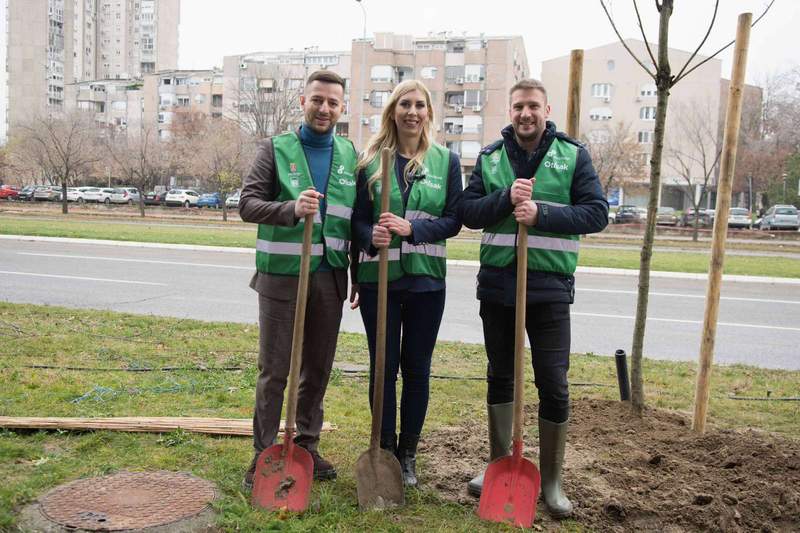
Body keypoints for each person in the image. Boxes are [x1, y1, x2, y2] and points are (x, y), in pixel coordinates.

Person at [459, 79, 608, 517]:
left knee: (553, 382)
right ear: (510, 111)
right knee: (500, 375)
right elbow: (467, 212)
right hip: (499, 286)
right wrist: (505, 199)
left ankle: (552, 479)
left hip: (549, 290)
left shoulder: (572, 155)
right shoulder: (489, 158)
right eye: (519, 106)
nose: (526, 114)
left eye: (533, 107)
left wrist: (543, 214)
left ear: (547, 109)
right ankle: (499, 463)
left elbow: (597, 212)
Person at [239, 70, 358, 491]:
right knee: (275, 370)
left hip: (330, 277)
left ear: (343, 108)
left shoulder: (348, 154)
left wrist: (358, 272)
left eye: (333, 102)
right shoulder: (275, 149)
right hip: (282, 278)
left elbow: (354, 221)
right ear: (302, 102)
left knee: (317, 369)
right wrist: (290, 209)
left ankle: (306, 444)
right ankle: (264, 450)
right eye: (317, 100)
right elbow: (247, 204)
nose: (324, 108)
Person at [351, 80, 463, 488]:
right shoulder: (369, 161)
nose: (412, 112)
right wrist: (369, 237)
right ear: (392, 111)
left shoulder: (445, 162)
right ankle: (382, 449)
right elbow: (357, 220)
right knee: (383, 368)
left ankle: (408, 453)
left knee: (417, 369)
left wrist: (411, 228)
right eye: (404, 104)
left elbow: (454, 219)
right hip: (379, 282)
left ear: (429, 113)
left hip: (426, 284)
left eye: (419, 105)